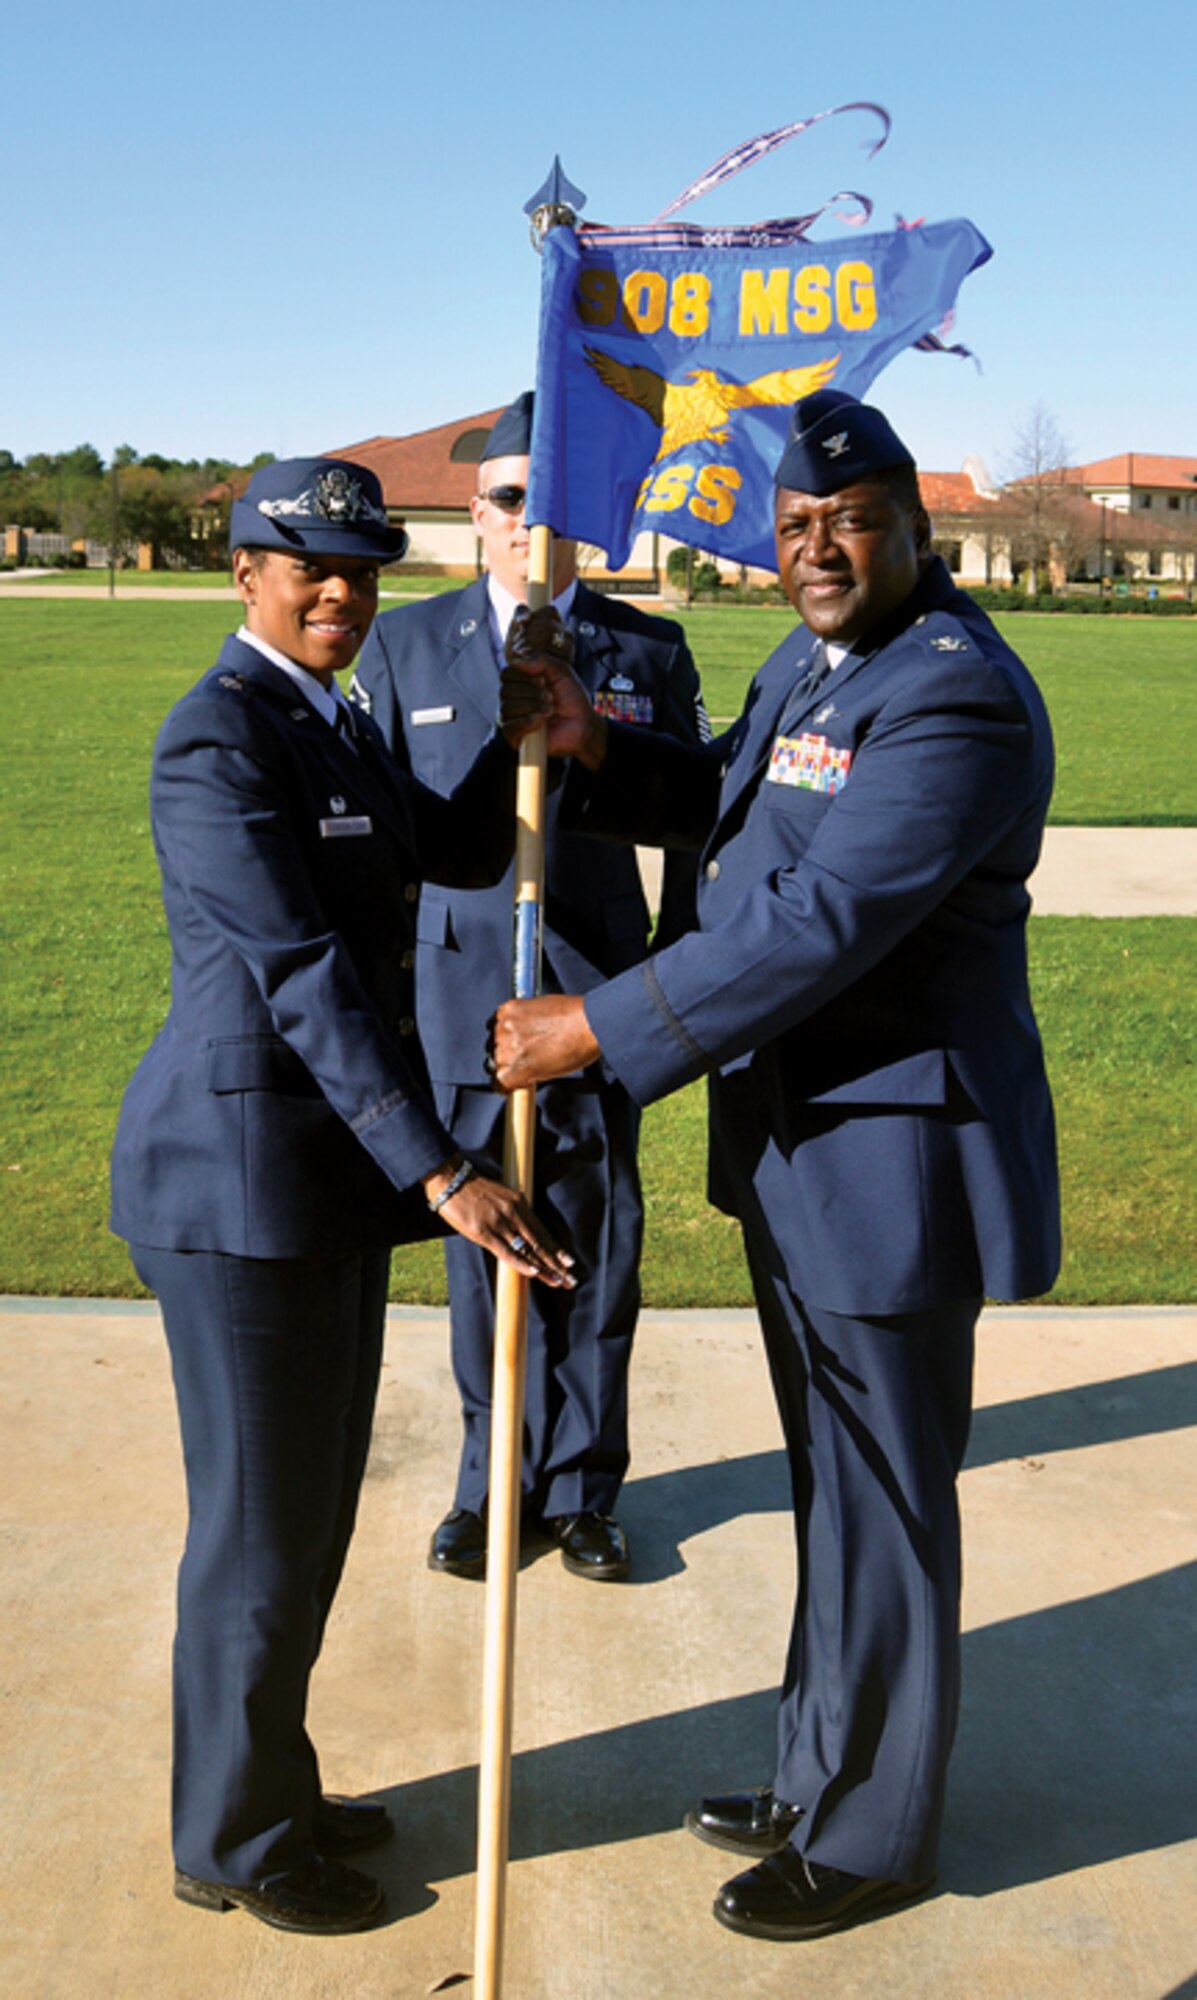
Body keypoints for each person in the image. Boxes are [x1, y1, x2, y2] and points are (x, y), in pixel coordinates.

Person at [490, 391, 1060, 1940]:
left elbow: (819, 924)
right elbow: (733, 797)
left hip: (893, 1164)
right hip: (804, 1149)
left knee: (882, 1498)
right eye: (796, 526)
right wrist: (594, 740)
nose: (816, 548)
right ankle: (822, 1769)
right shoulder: (819, 663)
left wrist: (591, 1032)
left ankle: (873, 1831)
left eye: (848, 522)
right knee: (834, 1485)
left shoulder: (952, 701)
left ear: (915, 532)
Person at [109, 457, 574, 1936]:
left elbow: (443, 848)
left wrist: (528, 732)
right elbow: (299, 970)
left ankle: (276, 1783)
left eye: (363, 572)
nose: (340, 595)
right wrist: (438, 1165)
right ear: (242, 569)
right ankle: (233, 1842)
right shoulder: (218, 742)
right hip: (237, 1188)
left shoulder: (338, 719)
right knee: (256, 1532)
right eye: (307, 566)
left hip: (320, 1185)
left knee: (305, 1524)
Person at [351, 392, 707, 1583]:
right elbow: (388, 847)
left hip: (601, 989)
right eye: (510, 498)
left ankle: (586, 1487)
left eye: (552, 502)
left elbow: (691, 821)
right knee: (481, 1250)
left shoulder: (644, 650)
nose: (529, 523)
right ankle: (488, 1487)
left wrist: (681, 985)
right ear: (475, 512)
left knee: (598, 1254)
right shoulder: (406, 646)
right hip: (463, 995)